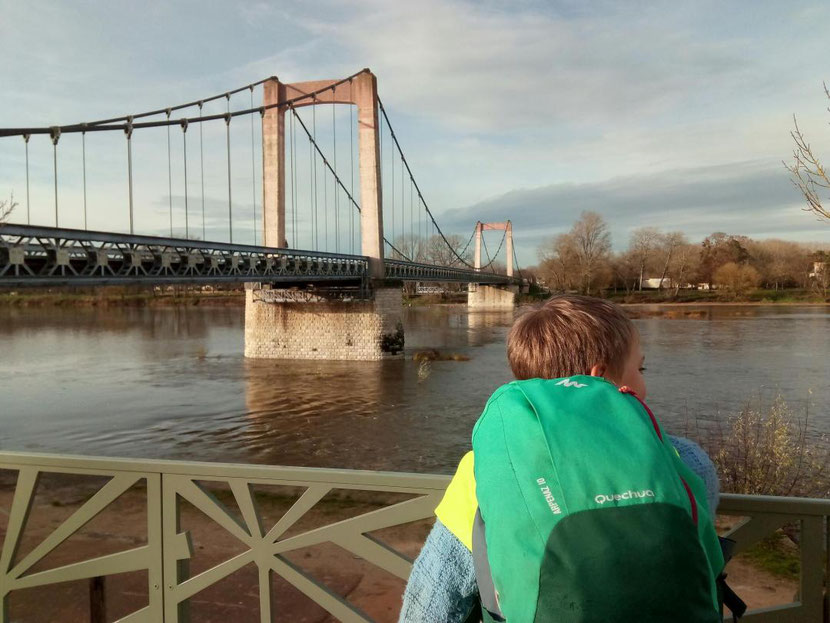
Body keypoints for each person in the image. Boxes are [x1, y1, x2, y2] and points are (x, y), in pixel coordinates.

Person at [398, 294, 721, 623]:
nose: (644, 380)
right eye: (640, 368)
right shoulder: (687, 459)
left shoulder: (485, 469)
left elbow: (433, 599)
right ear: (600, 377)